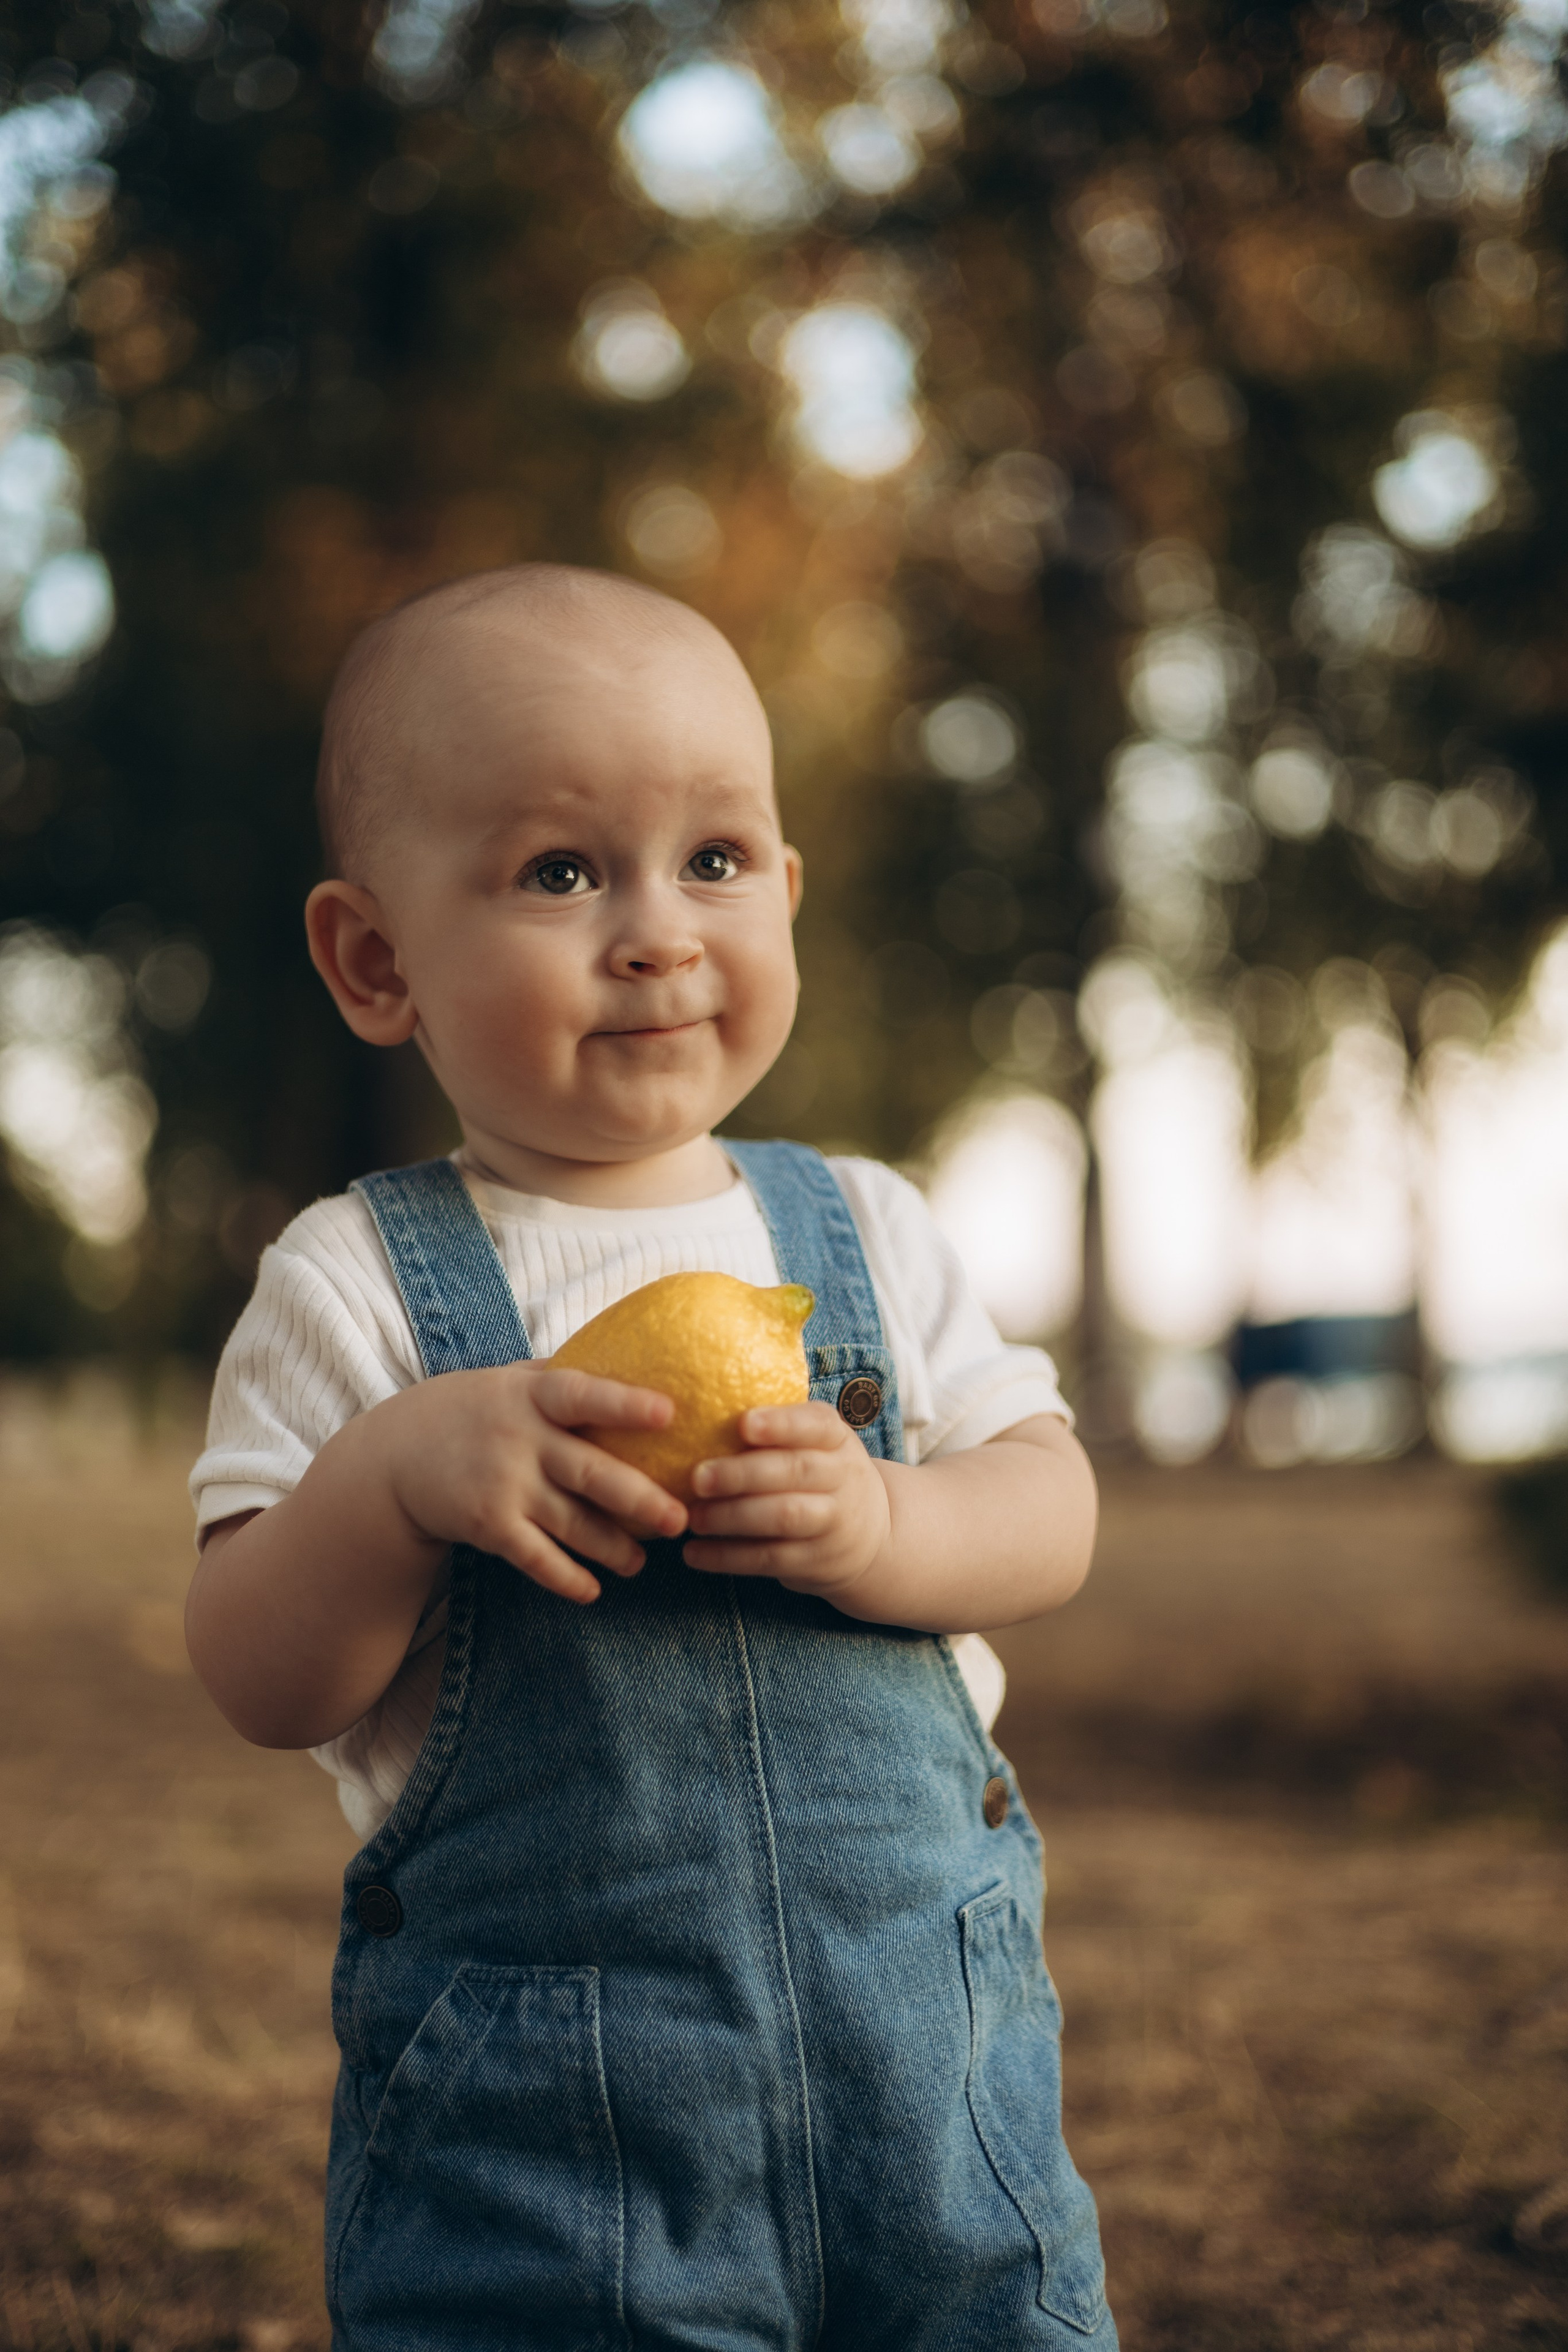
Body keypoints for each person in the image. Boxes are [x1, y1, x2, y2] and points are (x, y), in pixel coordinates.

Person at [185, 564, 1114, 2351]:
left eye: (715, 860)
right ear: (376, 960)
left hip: (933, 2070)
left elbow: (1051, 1505)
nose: (657, 932)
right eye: (559, 872)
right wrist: (389, 1485)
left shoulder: (866, 1228)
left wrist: (889, 1522)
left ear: (786, 892)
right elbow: (255, 1673)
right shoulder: (358, 1278)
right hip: (556, 2139)